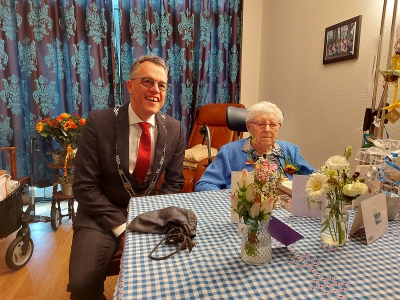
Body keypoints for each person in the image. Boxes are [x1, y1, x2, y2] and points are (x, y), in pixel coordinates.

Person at [67, 55, 185, 299]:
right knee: (82, 284)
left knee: (172, 274)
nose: (155, 90)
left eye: (161, 85)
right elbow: (84, 187)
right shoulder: (99, 123)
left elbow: (173, 183)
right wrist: (123, 228)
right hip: (99, 215)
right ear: (130, 85)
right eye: (147, 81)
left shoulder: (175, 129)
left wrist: (155, 217)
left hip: (148, 214)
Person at [195, 101, 314, 191]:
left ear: (279, 127)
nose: (267, 129)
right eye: (261, 124)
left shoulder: (290, 150)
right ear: (249, 127)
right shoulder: (229, 152)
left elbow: (313, 176)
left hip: (287, 212)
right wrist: (232, 200)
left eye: (273, 124)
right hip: (246, 214)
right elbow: (205, 184)